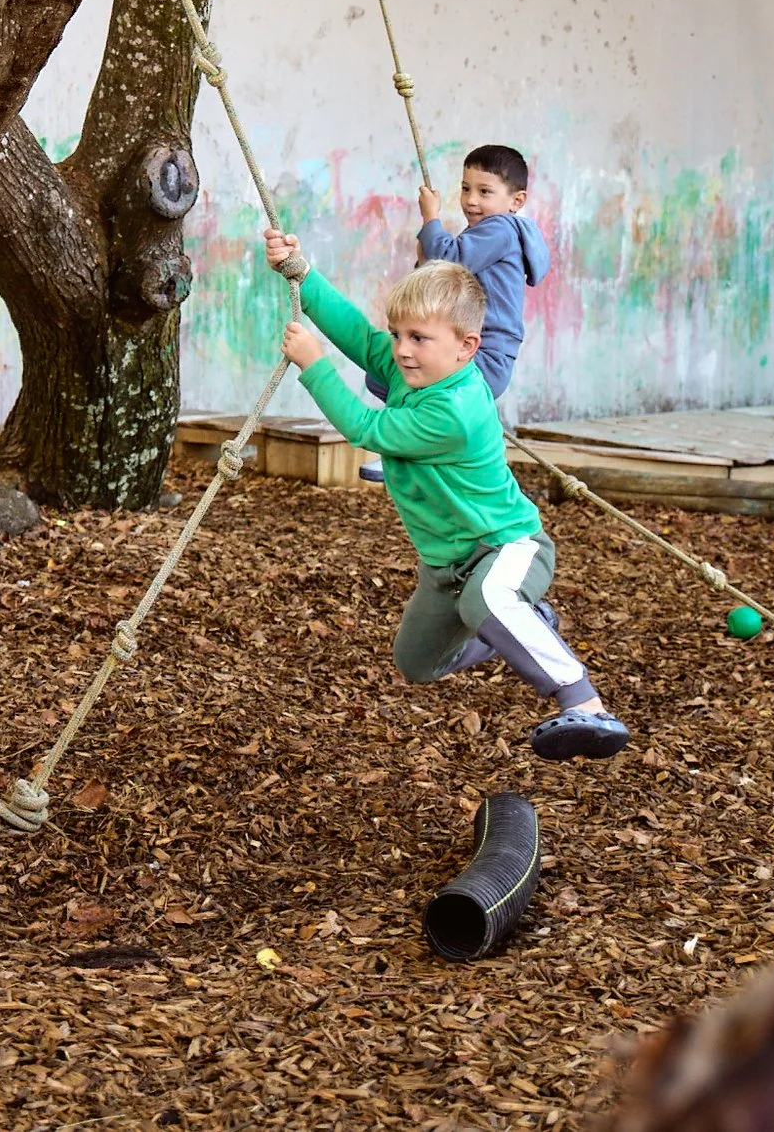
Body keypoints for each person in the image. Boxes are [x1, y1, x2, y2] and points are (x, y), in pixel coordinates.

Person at [266, 229, 628, 761]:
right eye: (399, 335)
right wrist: (301, 273)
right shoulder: (411, 372)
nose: (402, 351)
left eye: (419, 338)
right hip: (446, 566)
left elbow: (365, 427)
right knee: (417, 662)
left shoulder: (454, 410)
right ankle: (528, 624)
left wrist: (314, 365)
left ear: (466, 346)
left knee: (489, 599)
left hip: (505, 546)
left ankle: (587, 705)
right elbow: (360, 337)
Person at [360, 144, 548, 482]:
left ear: (516, 201)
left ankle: (401, 449)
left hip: (481, 355)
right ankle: (421, 453)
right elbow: (444, 278)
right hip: (475, 352)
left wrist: (431, 218)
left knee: (398, 378)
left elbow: (452, 260)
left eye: (484, 191)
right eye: (465, 188)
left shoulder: (501, 229)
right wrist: (424, 258)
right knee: (384, 376)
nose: (471, 200)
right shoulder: (491, 233)